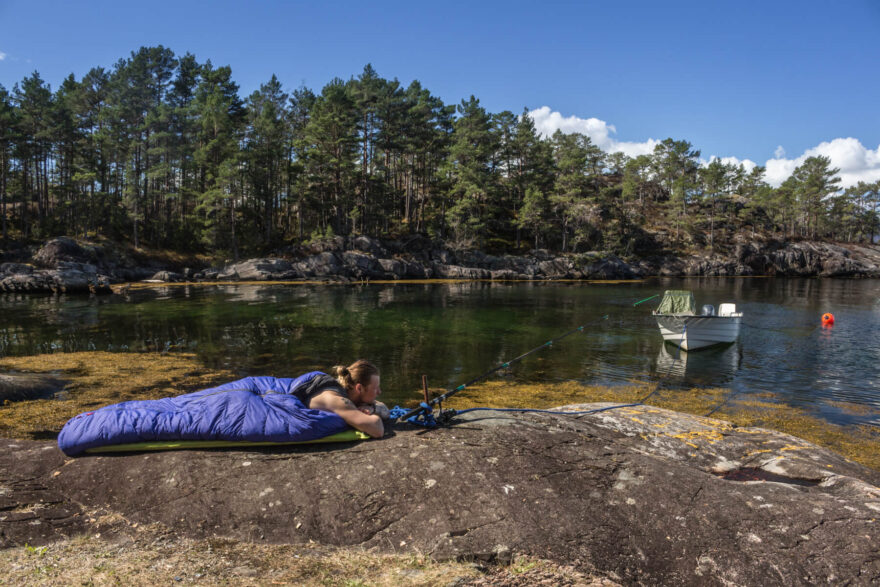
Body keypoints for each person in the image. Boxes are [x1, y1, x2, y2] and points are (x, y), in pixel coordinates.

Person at [293, 359, 388, 438]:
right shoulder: (336, 400)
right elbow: (377, 430)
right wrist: (373, 413)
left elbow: (384, 408)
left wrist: (372, 408)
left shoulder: (347, 389)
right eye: (376, 388)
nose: (379, 392)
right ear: (359, 388)